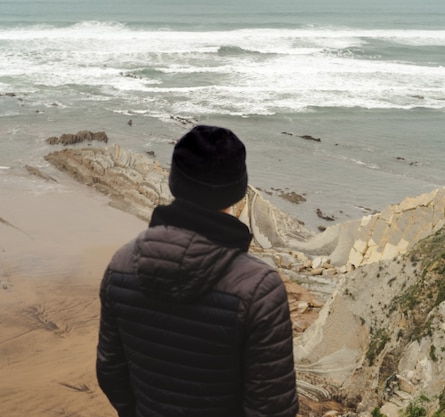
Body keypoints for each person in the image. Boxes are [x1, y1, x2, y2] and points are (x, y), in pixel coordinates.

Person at [96, 125, 299, 417]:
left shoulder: (122, 264)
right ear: (237, 193)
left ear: (174, 182)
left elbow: (110, 370)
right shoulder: (259, 288)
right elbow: (272, 407)